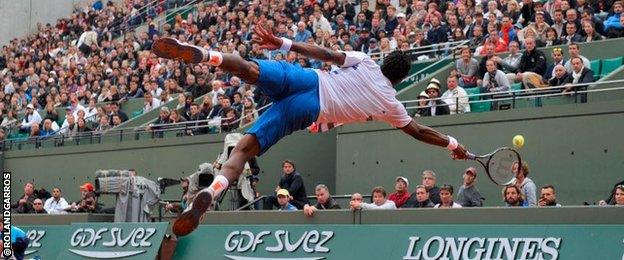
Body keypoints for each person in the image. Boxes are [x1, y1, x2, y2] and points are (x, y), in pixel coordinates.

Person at [152, 24, 469, 236]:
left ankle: (206, 55)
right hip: (308, 111)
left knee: (249, 69)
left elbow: (328, 55)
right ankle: (212, 191)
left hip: (309, 80)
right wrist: (453, 144)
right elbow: (418, 131)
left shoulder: (367, 63)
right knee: (243, 149)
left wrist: (284, 43)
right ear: (399, 80)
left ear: (384, 62)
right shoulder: (391, 105)